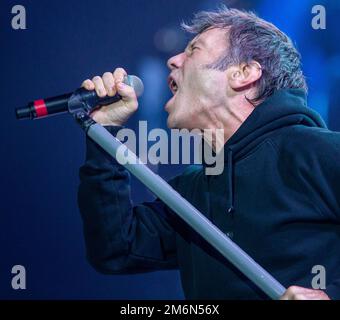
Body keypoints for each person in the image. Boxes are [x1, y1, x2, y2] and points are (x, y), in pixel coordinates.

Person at [77, 7, 340, 300]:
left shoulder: (318, 153)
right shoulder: (194, 189)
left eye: (193, 50)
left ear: (244, 73)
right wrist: (105, 134)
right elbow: (116, 249)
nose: (173, 60)